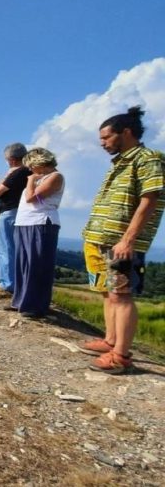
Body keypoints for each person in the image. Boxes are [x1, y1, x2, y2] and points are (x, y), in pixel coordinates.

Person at [78, 107, 165, 374]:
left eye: (106, 138)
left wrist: (128, 239)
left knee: (121, 295)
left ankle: (121, 356)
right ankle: (110, 340)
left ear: (125, 133)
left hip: (120, 242)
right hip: (100, 237)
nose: (102, 143)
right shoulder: (121, 162)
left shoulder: (148, 159)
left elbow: (150, 199)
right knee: (108, 293)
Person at [10, 148, 64, 318]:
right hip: (25, 222)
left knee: (37, 264)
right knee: (23, 263)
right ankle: (20, 301)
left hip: (42, 222)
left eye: (31, 167)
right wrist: (33, 179)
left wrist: (31, 181)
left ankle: (35, 305)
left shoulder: (55, 177)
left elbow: (31, 198)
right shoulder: (39, 176)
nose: (30, 170)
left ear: (39, 163)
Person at [0, 143, 30, 296]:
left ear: (11, 159)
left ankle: (7, 283)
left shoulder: (18, 172)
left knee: (6, 248)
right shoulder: (26, 172)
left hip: (10, 211)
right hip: (12, 211)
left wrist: (8, 174)